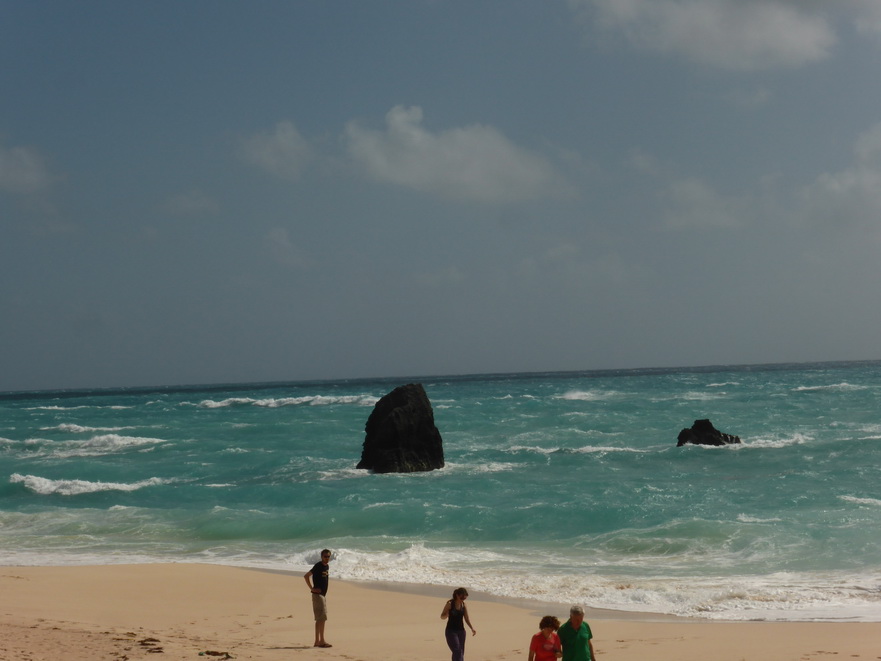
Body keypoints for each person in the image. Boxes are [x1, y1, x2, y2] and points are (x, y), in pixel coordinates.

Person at [304, 549, 332, 648]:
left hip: (323, 595)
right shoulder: (318, 566)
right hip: (318, 596)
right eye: (325, 556)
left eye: (328, 556)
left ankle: (317, 641)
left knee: (320, 619)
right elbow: (306, 576)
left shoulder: (326, 566)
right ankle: (321, 641)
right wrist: (312, 588)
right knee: (321, 618)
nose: (327, 558)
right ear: (321, 556)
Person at [440, 587, 476, 661]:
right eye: (462, 597)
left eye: (465, 597)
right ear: (457, 595)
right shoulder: (450, 604)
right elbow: (442, 616)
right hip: (451, 631)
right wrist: (446, 614)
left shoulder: (464, 605)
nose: (463, 598)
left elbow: (466, 618)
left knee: (460, 652)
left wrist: (472, 628)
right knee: (457, 650)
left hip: (461, 632)